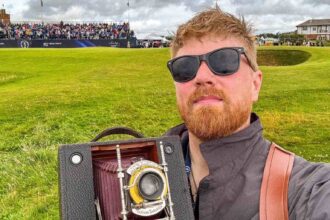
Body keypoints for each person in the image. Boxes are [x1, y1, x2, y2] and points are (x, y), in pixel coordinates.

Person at [165, 6, 330, 220]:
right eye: (185, 67)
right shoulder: (134, 171)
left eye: (224, 61)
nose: (202, 76)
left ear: (255, 85)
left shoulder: (307, 190)